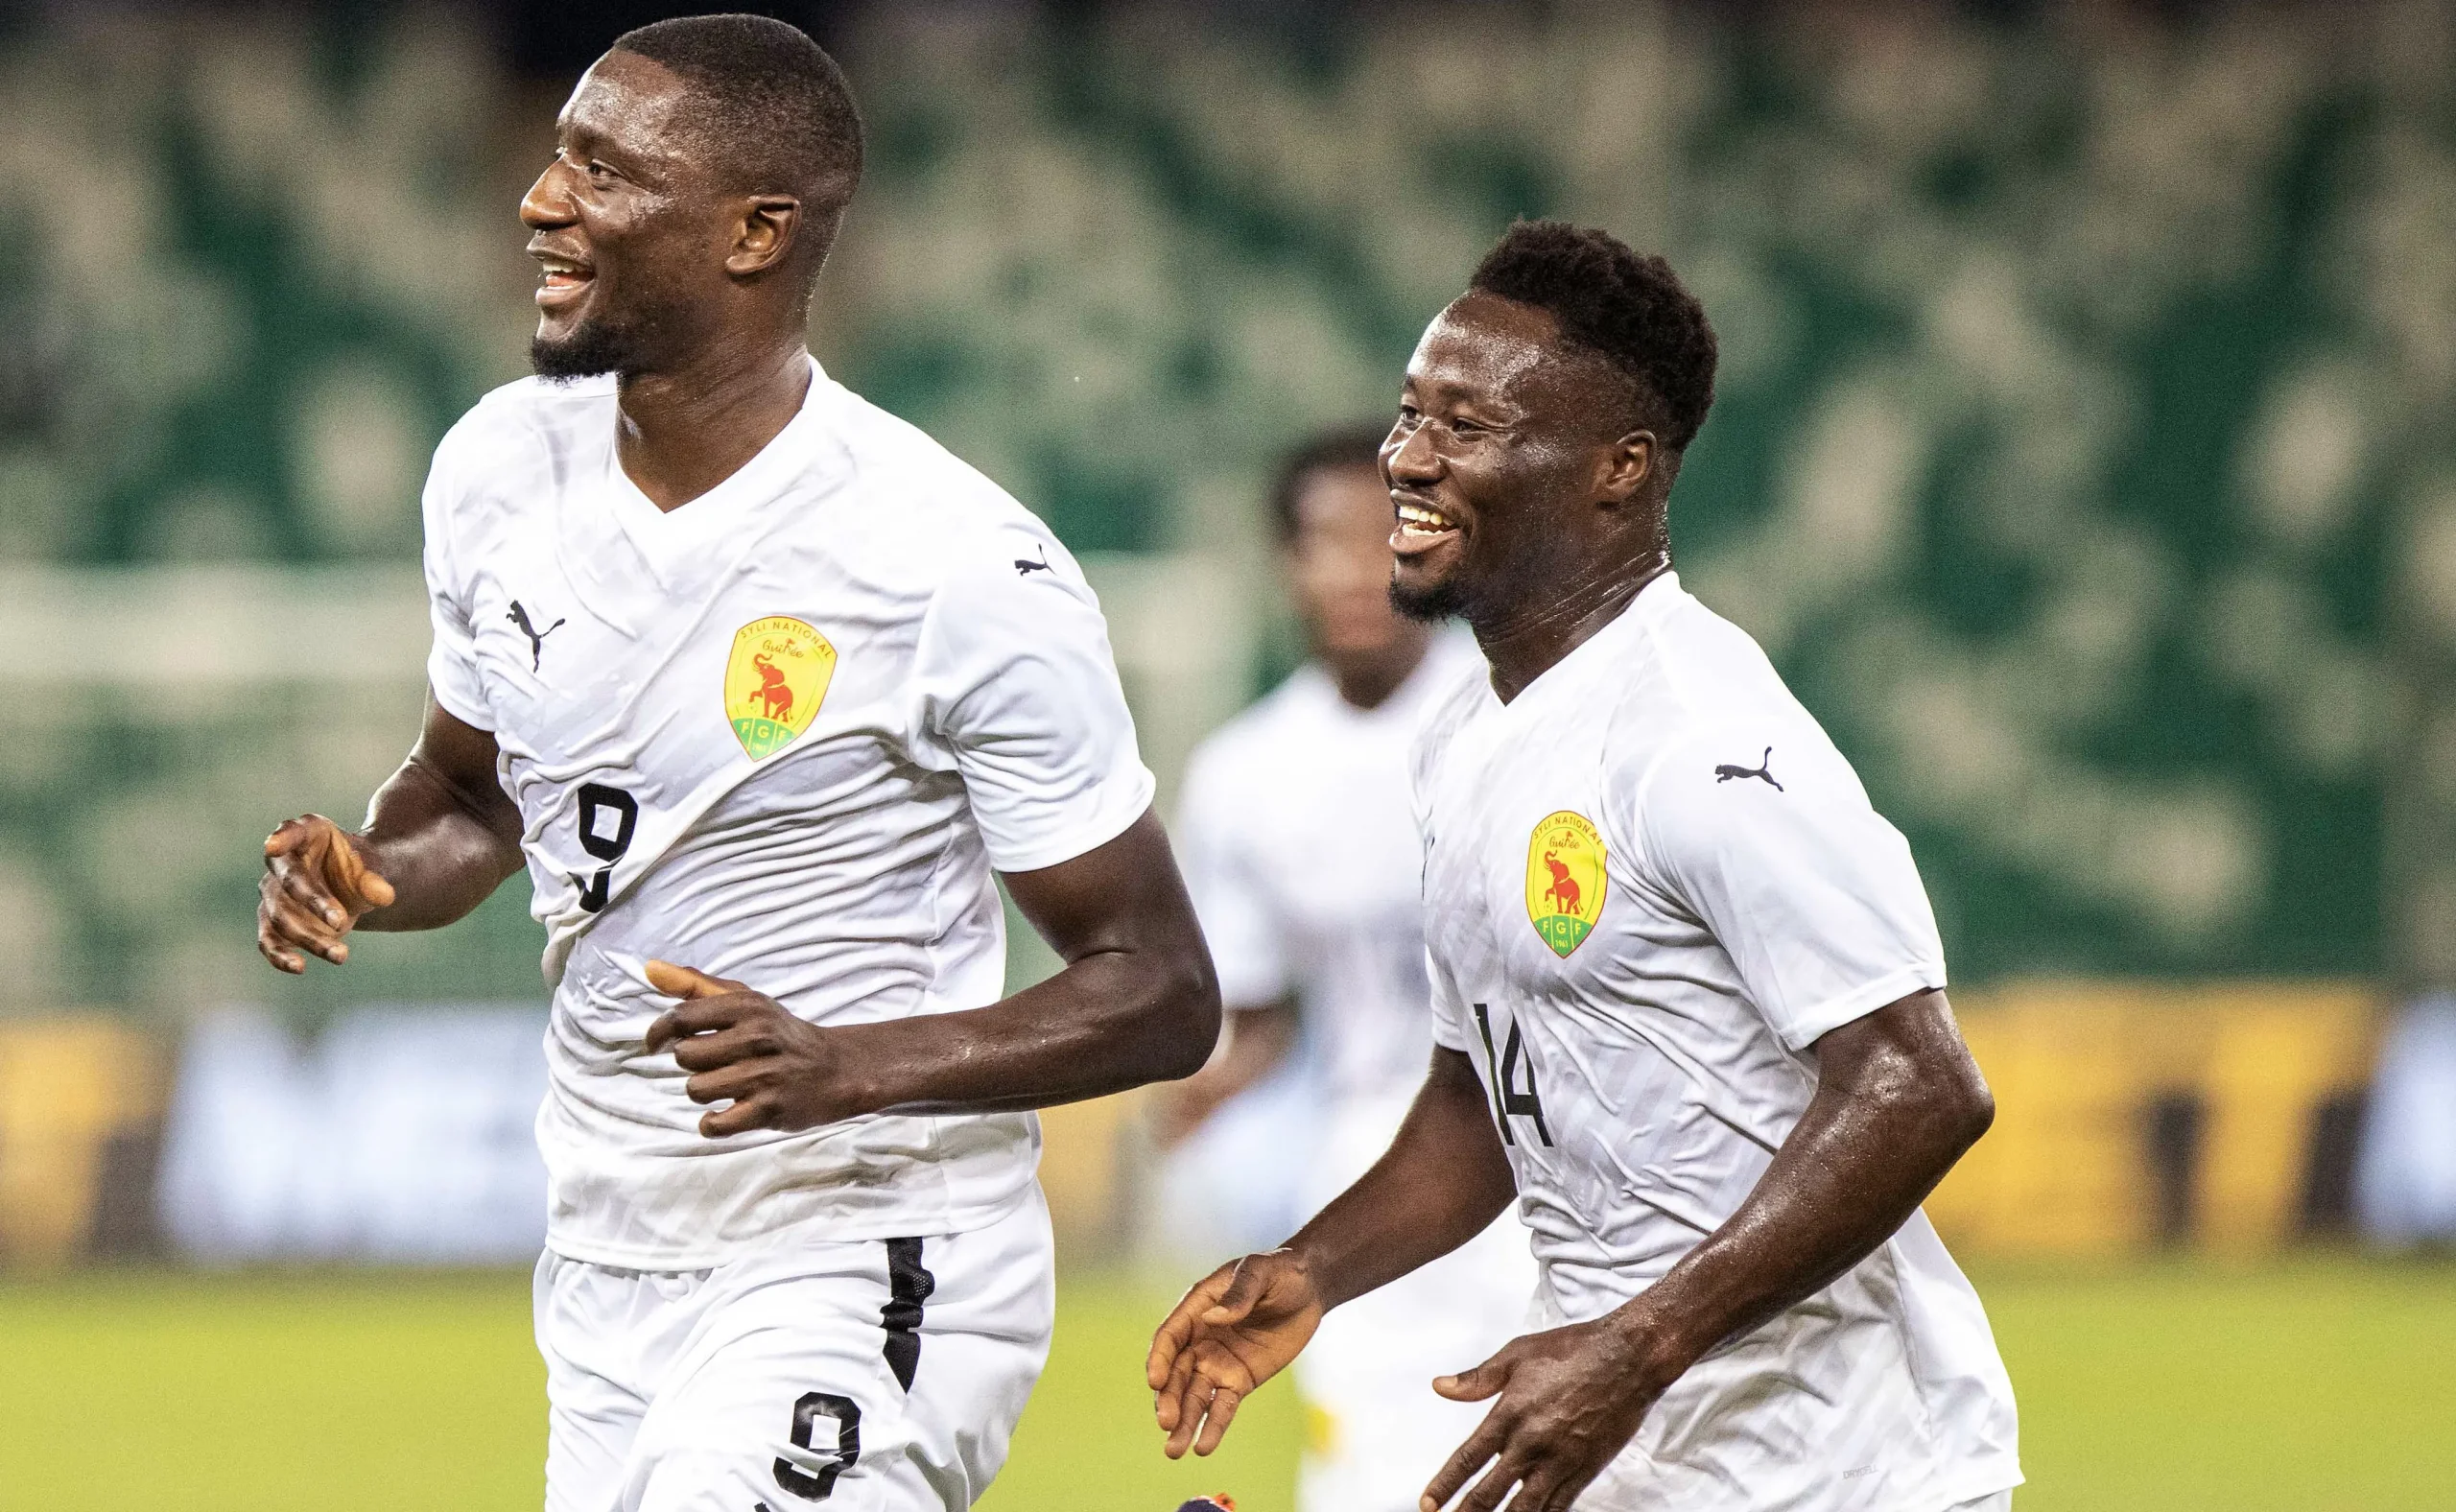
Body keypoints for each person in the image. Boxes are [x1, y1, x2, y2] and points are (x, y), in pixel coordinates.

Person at [253, 16, 1220, 1511]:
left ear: (754, 233)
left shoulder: (952, 563)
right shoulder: (495, 468)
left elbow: (1160, 987)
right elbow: (472, 798)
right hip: (609, 1243)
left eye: (602, 171)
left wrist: (853, 1066)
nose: (540, 201)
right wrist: (369, 870)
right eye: (557, 157)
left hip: (867, 1237)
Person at [1146, 221, 2020, 1512]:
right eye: (1410, 414)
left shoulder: (1700, 738)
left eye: (1467, 426)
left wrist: (1638, 1347)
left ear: (1618, 470)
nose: (1408, 459)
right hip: (1637, 1457)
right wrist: (1315, 1268)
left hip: (1842, 1470)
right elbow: (1480, 1105)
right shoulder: (1464, 738)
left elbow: (1922, 1085)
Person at [1159, 426, 1537, 1512]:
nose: (1358, 568)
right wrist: (1216, 1084)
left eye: (1385, 534)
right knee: (1376, 1466)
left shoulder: (1512, 718)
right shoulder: (1245, 773)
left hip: (1544, 1147)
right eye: (1327, 541)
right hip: (1375, 1158)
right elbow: (1264, 1015)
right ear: (1288, 562)